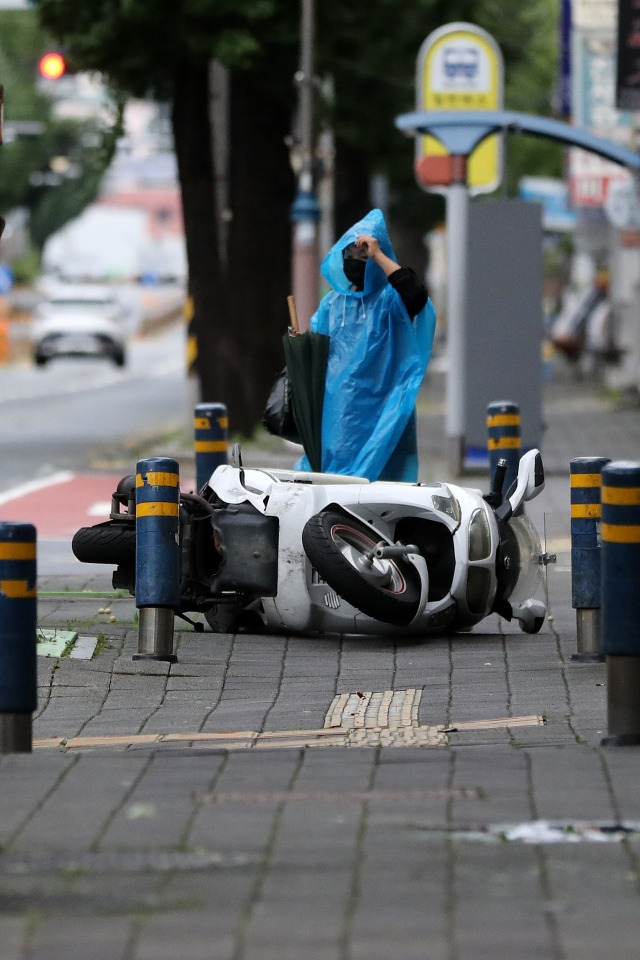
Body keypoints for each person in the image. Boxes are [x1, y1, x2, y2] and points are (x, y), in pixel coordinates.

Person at [297, 208, 436, 482]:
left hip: (383, 409)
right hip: (338, 415)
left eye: (363, 253)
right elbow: (316, 351)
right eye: (350, 253)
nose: (355, 260)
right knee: (336, 485)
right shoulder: (332, 305)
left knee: (381, 484)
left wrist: (379, 256)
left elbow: (415, 293)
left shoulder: (390, 302)